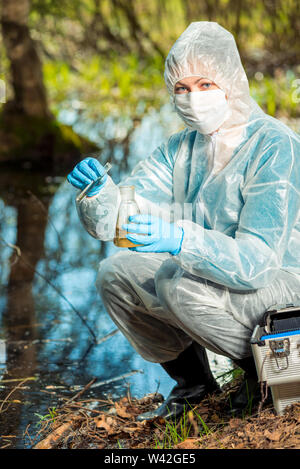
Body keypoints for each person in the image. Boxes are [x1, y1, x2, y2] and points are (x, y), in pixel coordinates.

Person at [67, 22, 300, 420]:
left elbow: (257, 262)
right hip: (214, 275)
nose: (193, 98)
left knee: (175, 281)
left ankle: (269, 378)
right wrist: (98, 193)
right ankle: (193, 387)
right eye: (182, 88)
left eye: (205, 84)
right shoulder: (180, 148)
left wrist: (180, 239)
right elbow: (118, 220)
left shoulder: (274, 144)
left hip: (281, 285)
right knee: (116, 273)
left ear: (230, 82)